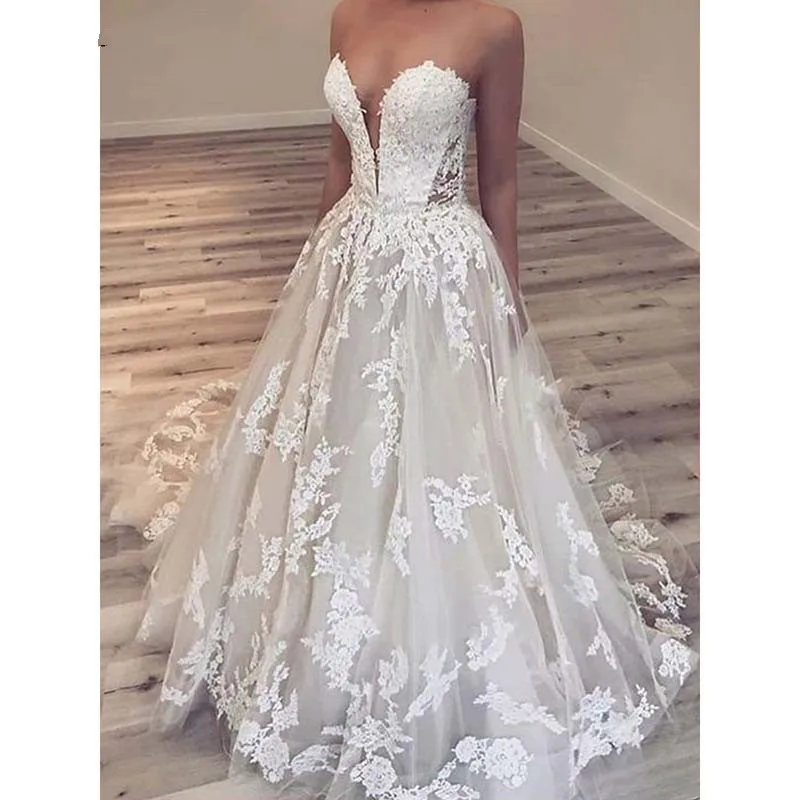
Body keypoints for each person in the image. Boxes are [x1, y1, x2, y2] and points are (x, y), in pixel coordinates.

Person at [110, 1, 697, 797]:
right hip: (350, 255)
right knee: (339, 443)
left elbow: (499, 181)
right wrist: (310, 281)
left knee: (441, 457)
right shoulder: (348, 15)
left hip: (440, 270)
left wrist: (507, 306)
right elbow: (338, 163)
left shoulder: (494, 29)